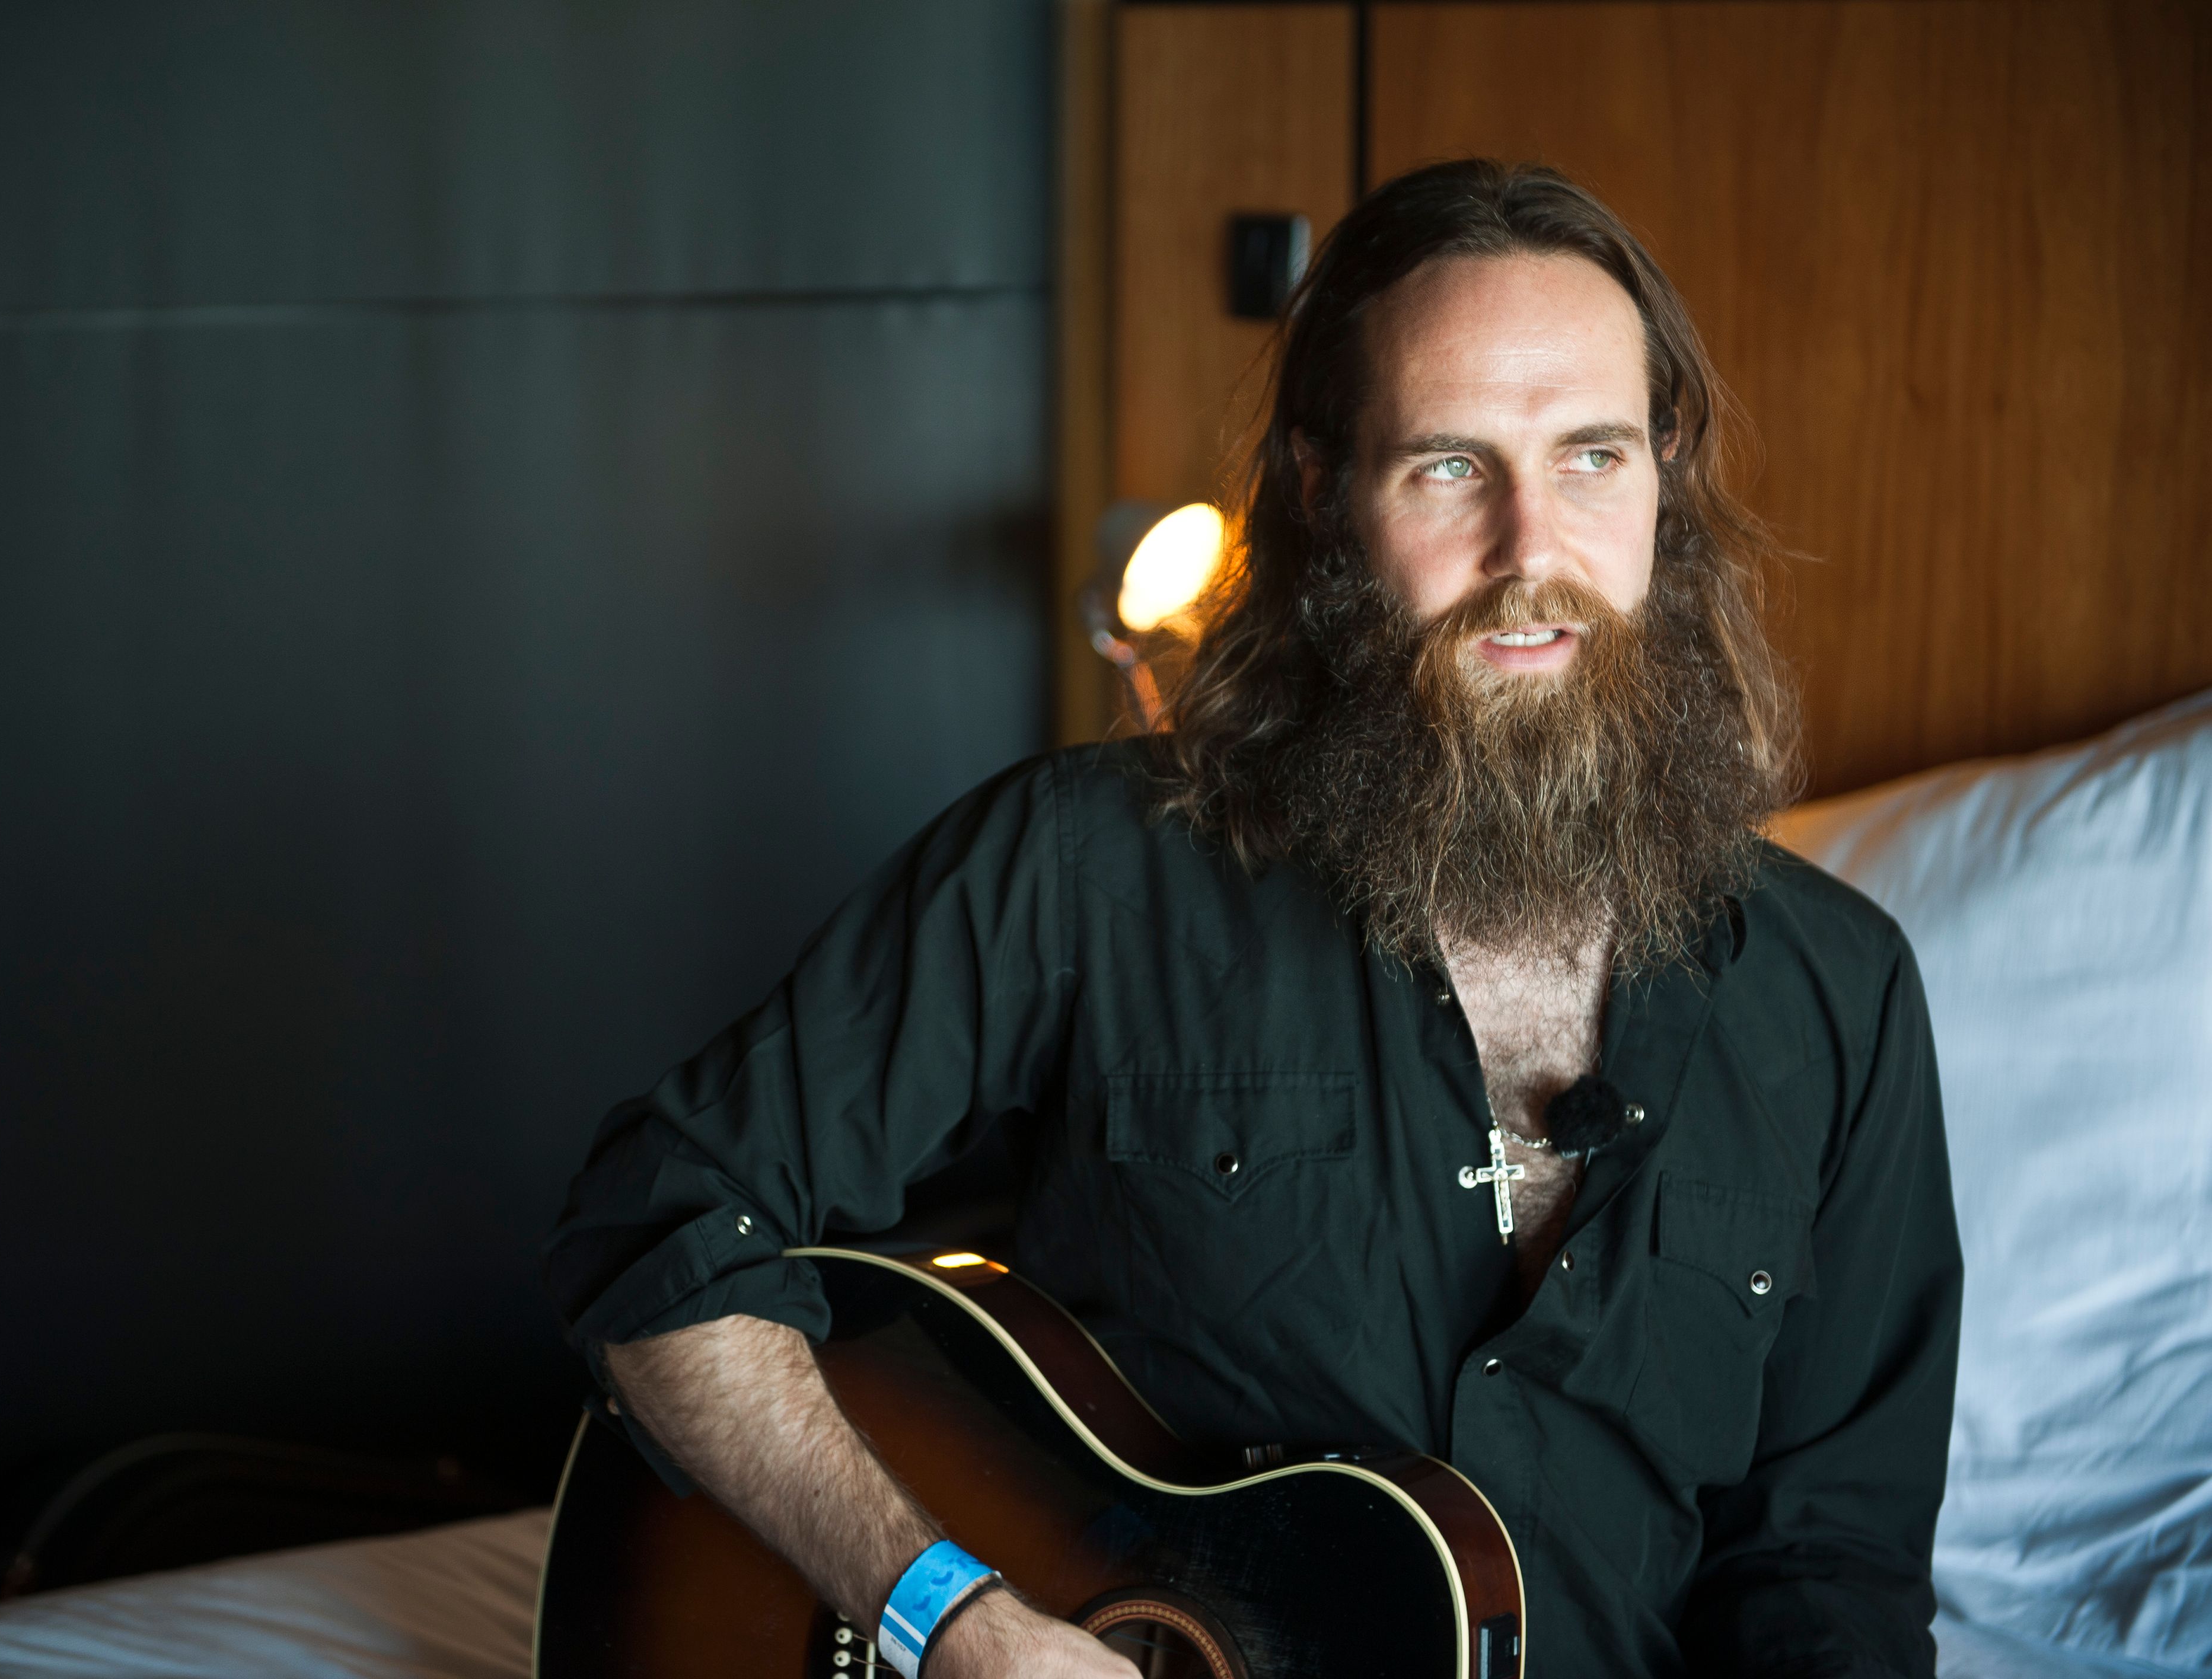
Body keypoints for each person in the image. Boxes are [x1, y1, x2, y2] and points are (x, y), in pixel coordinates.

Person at [544, 159, 1962, 1679]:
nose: (1531, 551)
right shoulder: (1084, 865)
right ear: (1320, 487)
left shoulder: (1840, 994)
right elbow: (663, 1223)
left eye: (1593, 458)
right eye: (1449, 467)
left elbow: (1829, 1563)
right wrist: (940, 1611)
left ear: (1666, 469)